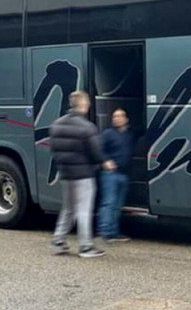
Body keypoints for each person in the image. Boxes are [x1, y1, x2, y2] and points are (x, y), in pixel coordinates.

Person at [49, 91, 115, 258]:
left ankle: (58, 241)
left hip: (66, 173)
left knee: (68, 208)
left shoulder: (56, 125)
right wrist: (105, 162)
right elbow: (96, 150)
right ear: (83, 105)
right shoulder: (87, 127)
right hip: (83, 174)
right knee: (84, 209)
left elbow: (54, 150)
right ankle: (85, 246)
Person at [97, 108, 133, 242]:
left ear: (126, 119)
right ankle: (105, 232)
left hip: (124, 175)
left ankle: (114, 232)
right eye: (115, 116)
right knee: (109, 203)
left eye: (120, 116)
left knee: (118, 205)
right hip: (110, 174)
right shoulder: (107, 134)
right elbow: (98, 149)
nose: (117, 119)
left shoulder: (130, 134)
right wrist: (105, 160)